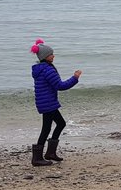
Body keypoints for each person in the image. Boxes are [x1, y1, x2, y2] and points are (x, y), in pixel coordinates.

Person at [30, 39, 82, 167]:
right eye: (51, 54)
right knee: (51, 127)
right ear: (45, 57)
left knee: (57, 124)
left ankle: (49, 154)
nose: (53, 56)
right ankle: (37, 158)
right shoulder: (48, 70)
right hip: (48, 103)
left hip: (46, 102)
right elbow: (60, 86)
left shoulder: (41, 69)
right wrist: (75, 78)